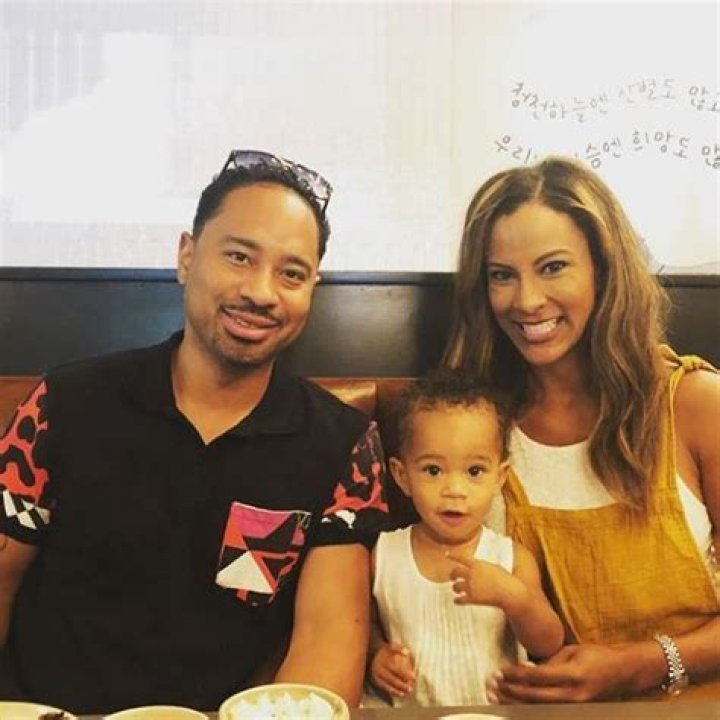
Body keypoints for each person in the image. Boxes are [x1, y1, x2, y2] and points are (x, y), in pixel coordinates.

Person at [0, 149, 388, 714]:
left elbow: (325, 646)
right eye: (239, 256)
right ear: (187, 255)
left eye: (292, 273)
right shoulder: (63, 404)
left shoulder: (343, 446)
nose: (261, 291)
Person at [443, 156, 720, 702]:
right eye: (502, 275)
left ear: (604, 270)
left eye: (553, 267)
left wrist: (641, 664)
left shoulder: (694, 403)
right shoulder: (475, 422)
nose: (526, 301)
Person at [368, 371, 564, 707]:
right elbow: (363, 626)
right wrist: (377, 655)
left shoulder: (510, 558)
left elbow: (549, 643)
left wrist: (514, 598)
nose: (455, 490)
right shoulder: (384, 554)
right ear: (402, 476)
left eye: (474, 471)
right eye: (433, 470)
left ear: (500, 477)